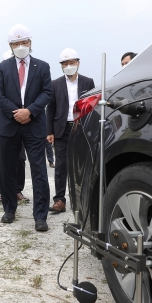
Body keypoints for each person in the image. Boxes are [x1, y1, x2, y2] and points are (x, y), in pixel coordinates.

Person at [0, 24, 52, 231]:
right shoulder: (3, 67)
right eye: (16, 43)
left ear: (30, 42)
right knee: (7, 169)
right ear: (10, 45)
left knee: (39, 171)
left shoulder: (42, 66)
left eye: (24, 42)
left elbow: (47, 92)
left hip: (34, 124)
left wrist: (30, 111)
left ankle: (40, 215)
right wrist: (17, 112)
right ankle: (10, 208)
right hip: (9, 125)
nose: (20, 46)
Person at [47, 48, 95, 214]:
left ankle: (83, 200)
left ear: (78, 63)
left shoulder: (88, 82)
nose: (69, 66)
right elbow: (50, 109)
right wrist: (50, 132)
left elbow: (92, 106)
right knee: (61, 165)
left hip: (81, 128)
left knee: (82, 164)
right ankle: (59, 200)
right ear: (61, 66)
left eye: (72, 62)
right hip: (62, 129)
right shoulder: (55, 84)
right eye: (65, 63)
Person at [0, 51, 28, 200]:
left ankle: (18, 189)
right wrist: (15, 115)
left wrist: (22, 115)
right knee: (2, 160)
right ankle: (3, 191)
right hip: (1, 126)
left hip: (20, 126)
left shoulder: (22, 81)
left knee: (20, 159)